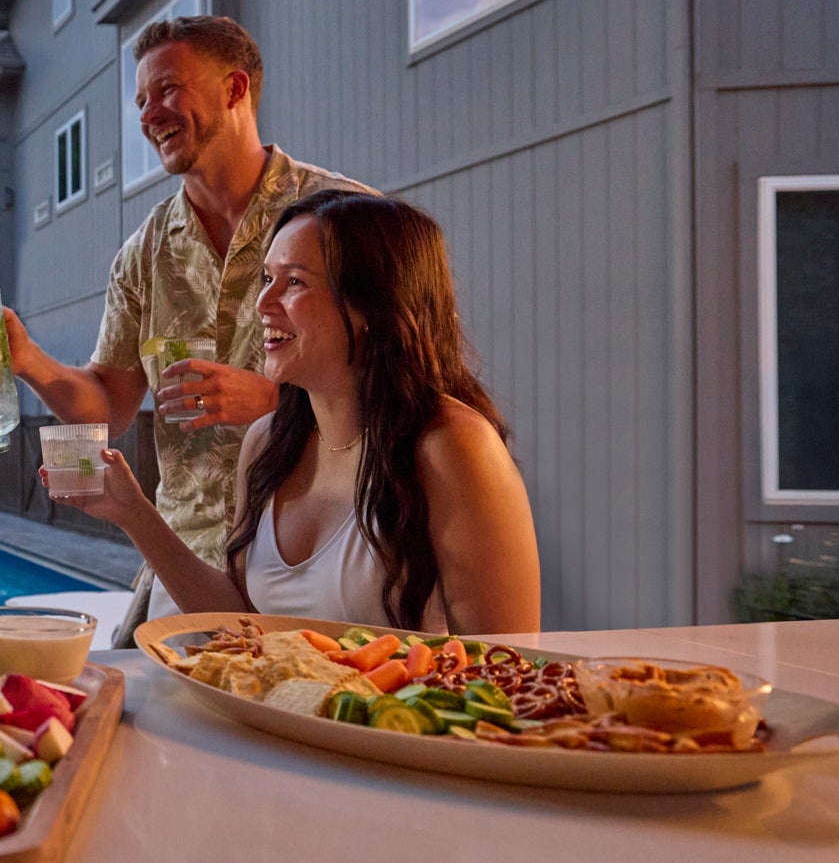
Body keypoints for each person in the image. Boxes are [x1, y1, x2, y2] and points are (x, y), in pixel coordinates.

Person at [3, 16, 372, 621]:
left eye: (168, 90)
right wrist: (29, 361)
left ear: (234, 89)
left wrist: (279, 404)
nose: (149, 115)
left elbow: (413, 383)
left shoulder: (346, 220)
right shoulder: (143, 254)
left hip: (323, 560)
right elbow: (111, 405)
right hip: (185, 563)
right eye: (142, 100)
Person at [48, 191, 540, 635]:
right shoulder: (269, 442)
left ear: (371, 305)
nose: (262, 302)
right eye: (266, 278)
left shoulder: (453, 448)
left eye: (295, 282)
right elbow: (241, 624)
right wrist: (133, 513)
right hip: (278, 729)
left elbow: (508, 669)